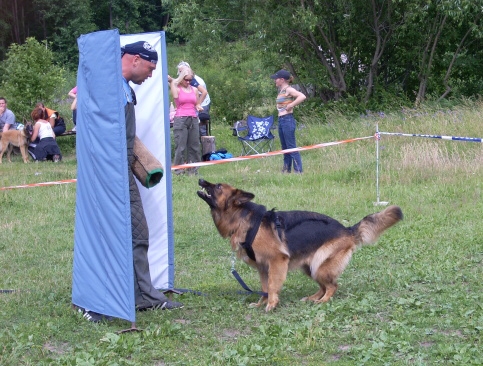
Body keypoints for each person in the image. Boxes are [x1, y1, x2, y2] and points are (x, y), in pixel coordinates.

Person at [77, 40, 183, 323]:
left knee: (135, 232)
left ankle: (140, 296)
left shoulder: (118, 88)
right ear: (135, 60)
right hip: (107, 175)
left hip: (118, 171)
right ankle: (99, 301)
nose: (151, 75)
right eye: (150, 68)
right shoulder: (108, 87)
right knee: (113, 234)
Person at [270, 69, 306, 173]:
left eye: (276, 79)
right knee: (285, 147)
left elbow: (302, 96)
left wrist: (291, 105)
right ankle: (286, 169)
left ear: (282, 80)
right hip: (281, 120)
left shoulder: (289, 89)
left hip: (287, 120)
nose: (275, 81)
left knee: (291, 147)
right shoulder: (281, 91)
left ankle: (298, 171)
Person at [169, 67, 203, 174]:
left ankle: (193, 170)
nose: (188, 82)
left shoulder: (195, 90)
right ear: (181, 78)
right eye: (186, 79)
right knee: (181, 146)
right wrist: (173, 81)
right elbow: (175, 95)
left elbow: (196, 102)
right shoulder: (177, 88)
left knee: (194, 145)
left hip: (193, 118)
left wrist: (198, 106)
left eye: (190, 80)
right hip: (181, 119)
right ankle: (178, 170)